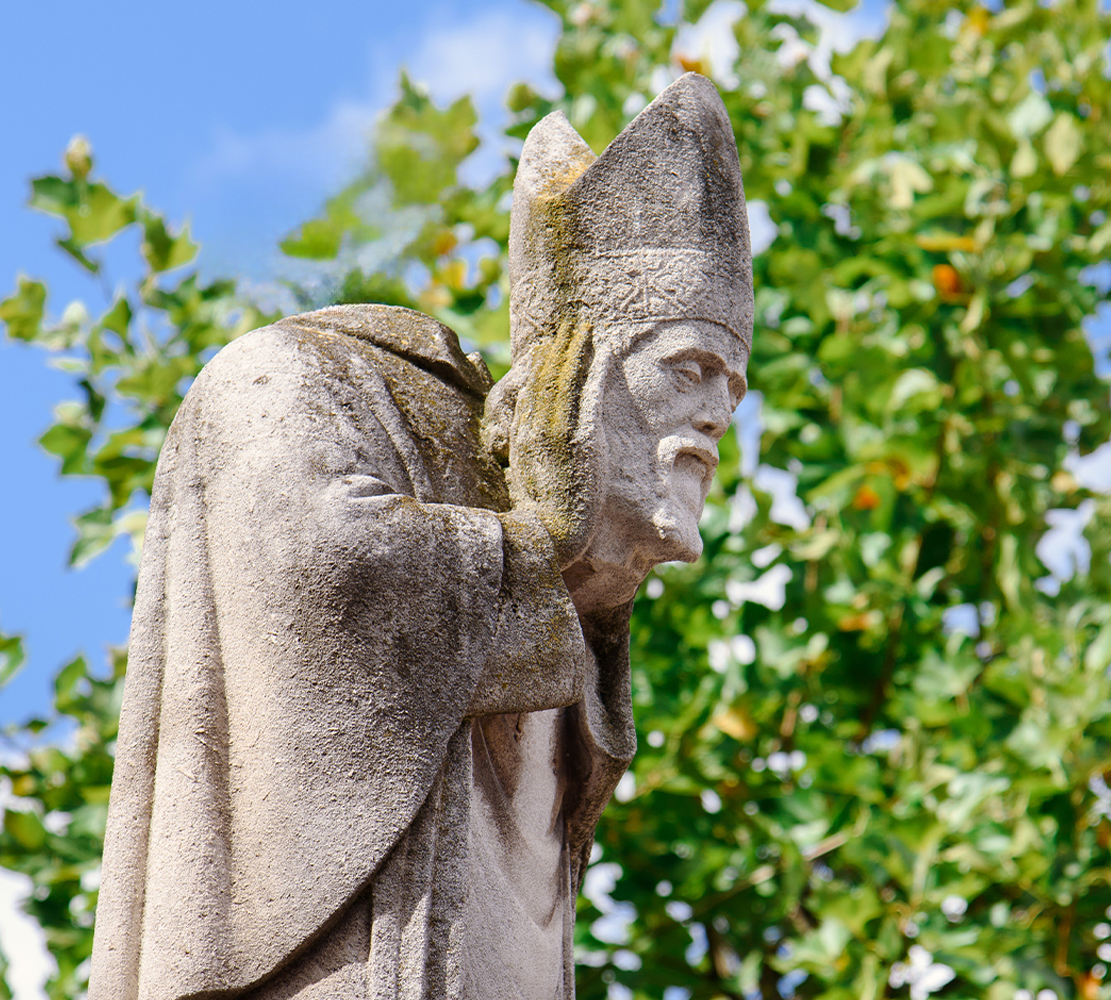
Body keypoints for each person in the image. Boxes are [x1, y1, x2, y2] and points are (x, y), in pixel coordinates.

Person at [89, 72, 753, 1000]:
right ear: (575, 378)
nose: (718, 415)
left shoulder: (566, 602)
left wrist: (585, 584)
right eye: (689, 367)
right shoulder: (309, 378)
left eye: (734, 386)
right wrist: (542, 540)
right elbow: (315, 568)